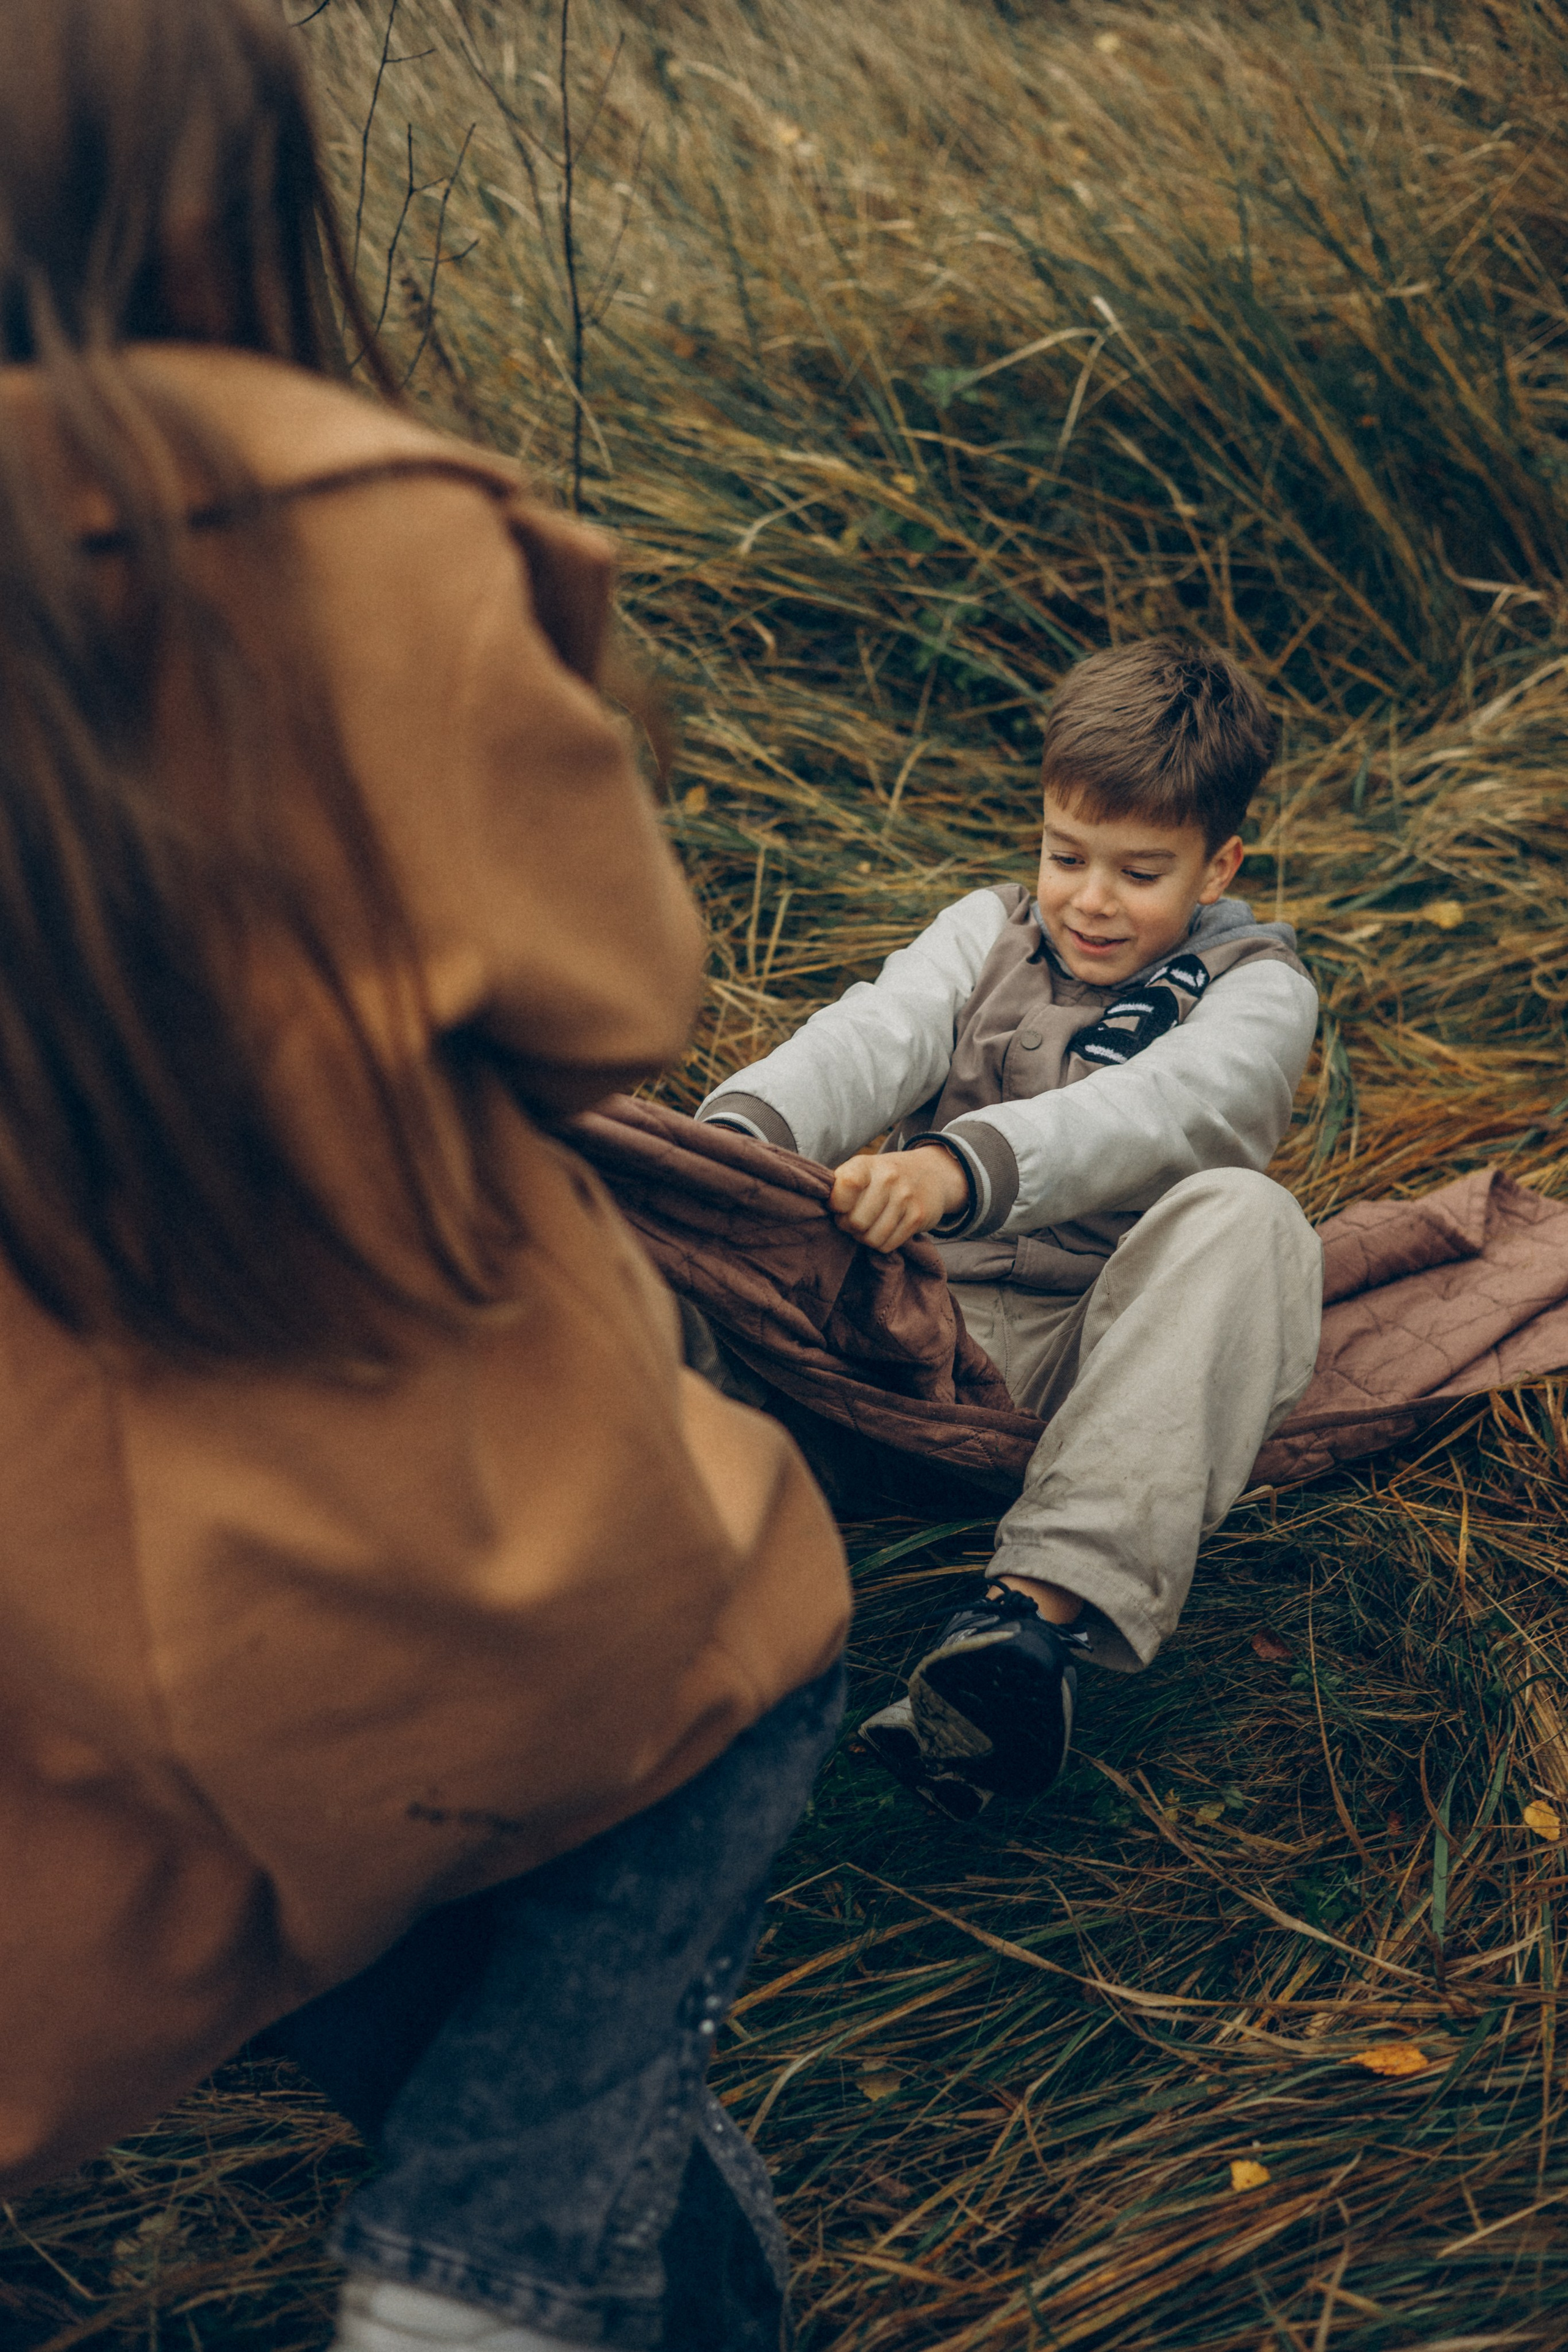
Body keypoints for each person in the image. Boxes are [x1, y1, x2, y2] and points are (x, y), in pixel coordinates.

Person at [0, 4, 849, 2349]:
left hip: (67, 1658)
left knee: (373, 1926)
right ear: (213, 192)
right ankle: (458, 2277)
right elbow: (616, 999)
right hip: (455, 1545)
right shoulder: (339, 529)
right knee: (756, 1650)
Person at [699, 640, 1323, 1822]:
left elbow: (1164, 1111)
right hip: (896, 1331)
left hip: (1078, 1370)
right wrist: (740, 1139)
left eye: (1140, 872)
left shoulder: (1258, 987)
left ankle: (1022, 1631)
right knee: (679, 1261)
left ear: (1218, 863)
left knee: (1254, 1223)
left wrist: (956, 1166)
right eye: (1065, 855)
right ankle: (577, 1521)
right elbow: (875, 1033)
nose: (1090, 898)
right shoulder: (986, 930)